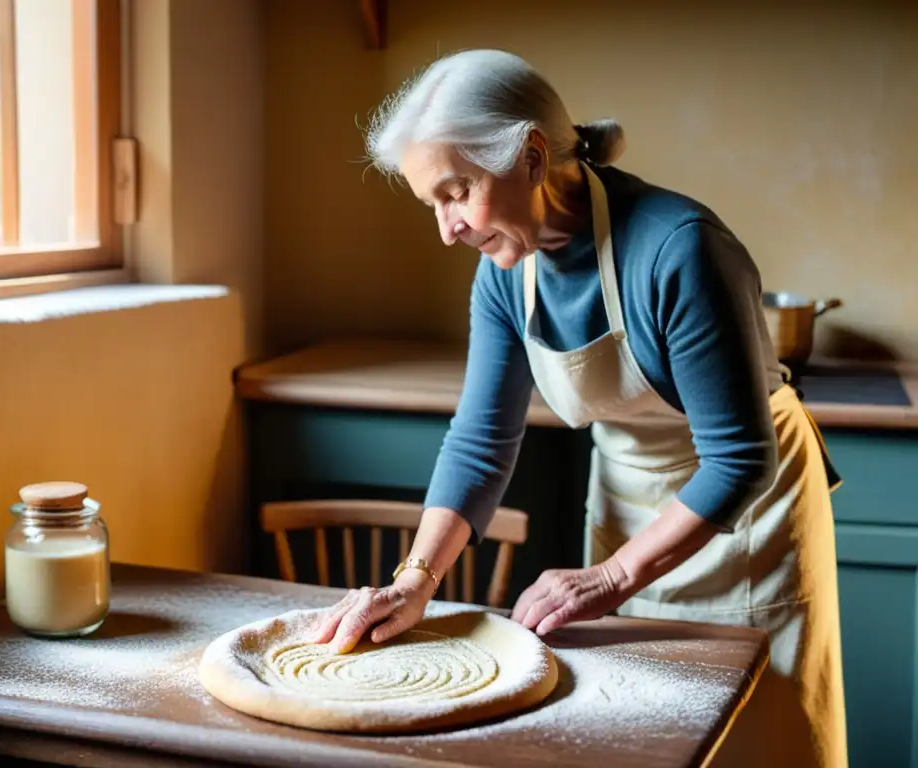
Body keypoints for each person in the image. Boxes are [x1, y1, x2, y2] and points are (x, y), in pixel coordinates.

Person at [313, 49, 847, 767]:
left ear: (531, 158)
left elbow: (741, 458)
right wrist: (416, 580)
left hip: (750, 521)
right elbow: (479, 441)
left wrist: (614, 577)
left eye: (457, 191)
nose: (448, 229)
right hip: (629, 496)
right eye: (431, 204)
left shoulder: (679, 249)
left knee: (761, 740)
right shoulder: (504, 274)